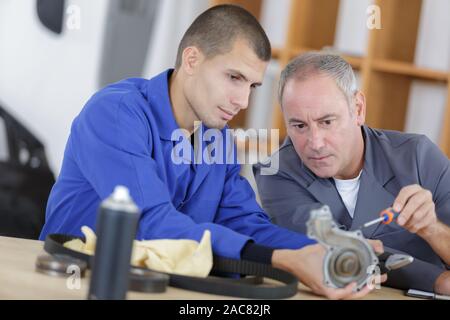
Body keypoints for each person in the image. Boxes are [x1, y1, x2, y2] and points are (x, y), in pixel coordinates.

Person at [39, 5, 382, 299]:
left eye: (252, 86)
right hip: (68, 283)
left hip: (158, 288)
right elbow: (151, 223)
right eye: (234, 77)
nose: (243, 101)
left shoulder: (217, 139)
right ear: (192, 59)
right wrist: (282, 260)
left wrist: (328, 252)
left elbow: (247, 223)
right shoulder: (116, 114)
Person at [254, 51, 450, 294]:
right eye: (299, 125)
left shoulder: (418, 156)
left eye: (327, 122)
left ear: (358, 108)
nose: (315, 142)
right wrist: (438, 280)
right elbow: (330, 252)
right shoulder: (276, 173)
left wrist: (431, 228)